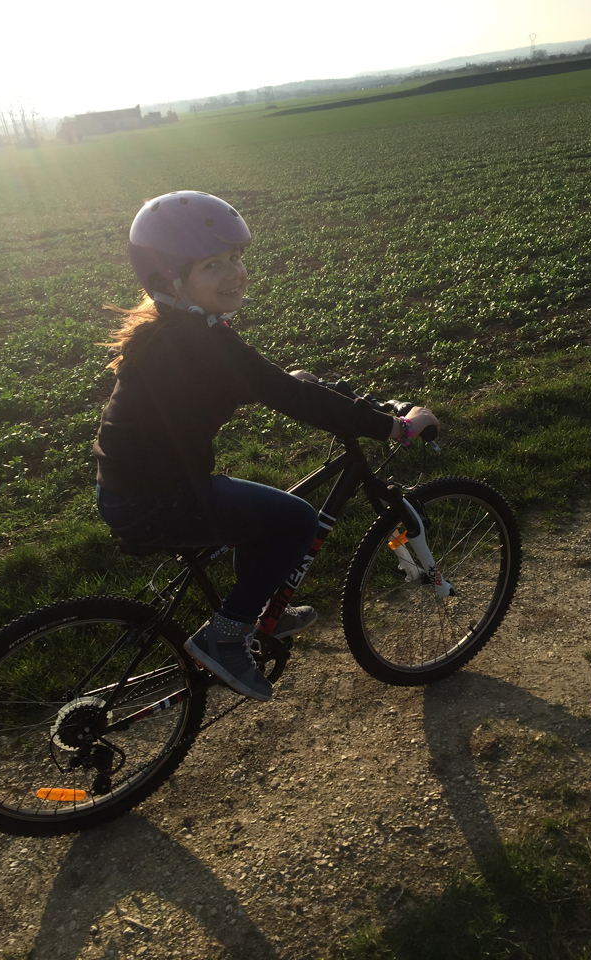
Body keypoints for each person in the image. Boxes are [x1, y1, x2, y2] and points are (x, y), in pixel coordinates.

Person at [93, 191, 439, 703]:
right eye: (213, 264)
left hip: (130, 491)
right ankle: (225, 637)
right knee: (295, 520)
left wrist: (280, 384)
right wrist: (396, 429)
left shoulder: (171, 330)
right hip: (160, 499)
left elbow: (221, 388)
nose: (235, 273)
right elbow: (292, 398)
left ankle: (251, 615)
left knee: (258, 515)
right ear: (168, 280)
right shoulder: (204, 340)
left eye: (235, 257)